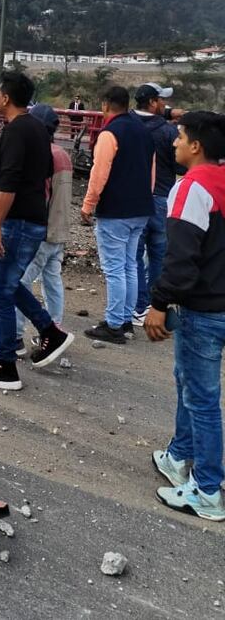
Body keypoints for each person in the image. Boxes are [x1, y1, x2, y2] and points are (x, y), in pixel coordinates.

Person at [0, 72, 74, 391]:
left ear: (4, 98)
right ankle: (51, 332)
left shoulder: (16, 131)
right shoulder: (38, 130)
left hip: (17, 222)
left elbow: (9, 181)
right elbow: (41, 173)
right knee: (10, 284)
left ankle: (6, 366)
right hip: (34, 219)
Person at [145, 111, 225, 521]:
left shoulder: (190, 187)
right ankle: (179, 456)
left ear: (196, 145)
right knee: (189, 384)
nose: (173, 143)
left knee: (202, 398)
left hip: (204, 308)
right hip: (218, 304)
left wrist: (159, 303)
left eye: (179, 137)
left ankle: (208, 489)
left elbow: (180, 257)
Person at [0, 103, 72, 358]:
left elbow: (39, 194)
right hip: (58, 229)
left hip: (38, 230)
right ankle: (53, 329)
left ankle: (16, 342)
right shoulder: (62, 154)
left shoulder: (42, 153)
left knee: (12, 283)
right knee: (51, 281)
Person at [81, 85, 155, 345]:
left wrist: (88, 205)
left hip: (116, 211)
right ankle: (124, 320)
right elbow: (151, 173)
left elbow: (99, 172)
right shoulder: (144, 133)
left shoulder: (109, 133)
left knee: (114, 268)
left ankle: (113, 325)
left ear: (105, 104)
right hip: (142, 208)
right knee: (130, 265)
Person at [132, 83, 182, 326]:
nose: (164, 104)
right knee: (159, 255)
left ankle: (138, 307)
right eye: (161, 100)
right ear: (152, 102)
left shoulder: (128, 124)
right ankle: (155, 305)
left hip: (136, 198)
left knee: (134, 256)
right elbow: (181, 166)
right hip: (162, 197)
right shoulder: (167, 132)